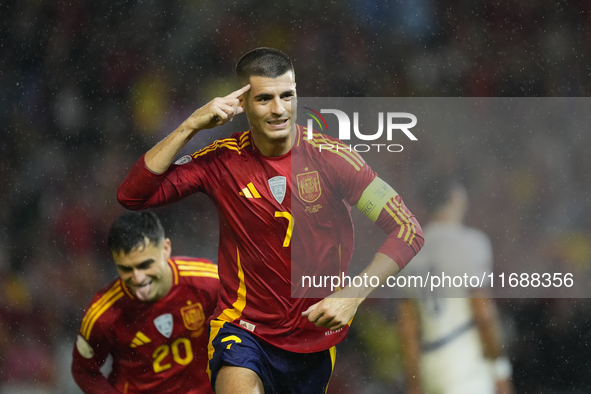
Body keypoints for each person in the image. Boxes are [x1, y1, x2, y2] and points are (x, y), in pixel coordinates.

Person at [117, 47, 424, 393]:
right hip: (242, 330)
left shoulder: (335, 160)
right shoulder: (221, 162)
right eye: (264, 99)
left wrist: (352, 296)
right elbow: (133, 196)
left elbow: (407, 229)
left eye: (286, 96)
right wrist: (190, 125)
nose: (279, 109)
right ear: (242, 103)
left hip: (314, 341)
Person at [71, 210, 219, 394]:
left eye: (144, 265)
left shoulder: (210, 283)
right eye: (126, 269)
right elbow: (83, 369)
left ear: (166, 249)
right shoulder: (103, 314)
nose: (138, 278)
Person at [397, 181, 514, 394]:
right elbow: (483, 313)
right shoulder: (470, 242)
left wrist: (414, 382)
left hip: (429, 364)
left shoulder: (410, 252)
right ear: (456, 197)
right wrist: (500, 370)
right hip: (466, 363)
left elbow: (408, 328)